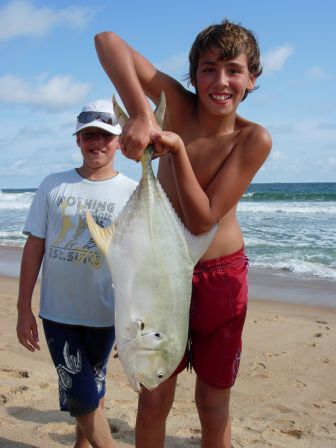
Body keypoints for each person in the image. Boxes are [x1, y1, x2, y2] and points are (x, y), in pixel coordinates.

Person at [94, 19, 272, 448]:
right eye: (208, 69)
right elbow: (107, 41)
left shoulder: (253, 139)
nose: (220, 81)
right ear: (193, 77)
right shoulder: (174, 103)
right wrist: (141, 112)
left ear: (252, 78)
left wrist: (175, 150)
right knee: (152, 400)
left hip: (220, 280)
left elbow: (202, 219)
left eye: (233, 69)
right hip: (159, 271)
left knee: (213, 404)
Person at [16, 99, 137, 448]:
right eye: (89, 136)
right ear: (78, 140)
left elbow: (138, 262)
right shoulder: (53, 185)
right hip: (58, 313)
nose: (96, 143)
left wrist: (131, 323)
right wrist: (24, 307)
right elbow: (34, 247)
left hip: (106, 313)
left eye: (105, 135)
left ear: (118, 141)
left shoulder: (131, 191)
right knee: (80, 394)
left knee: (94, 387)